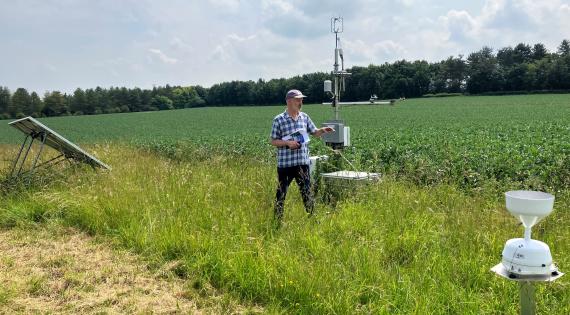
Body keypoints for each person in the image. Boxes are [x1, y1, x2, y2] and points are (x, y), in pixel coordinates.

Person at [270, 89, 334, 222]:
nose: (300, 102)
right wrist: (288, 143)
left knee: (307, 193)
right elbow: (273, 141)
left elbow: (314, 132)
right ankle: (277, 221)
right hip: (286, 164)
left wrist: (322, 130)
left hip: (302, 163)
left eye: (301, 99)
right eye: (297, 99)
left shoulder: (304, 117)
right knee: (281, 193)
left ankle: (313, 220)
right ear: (289, 101)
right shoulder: (279, 120)